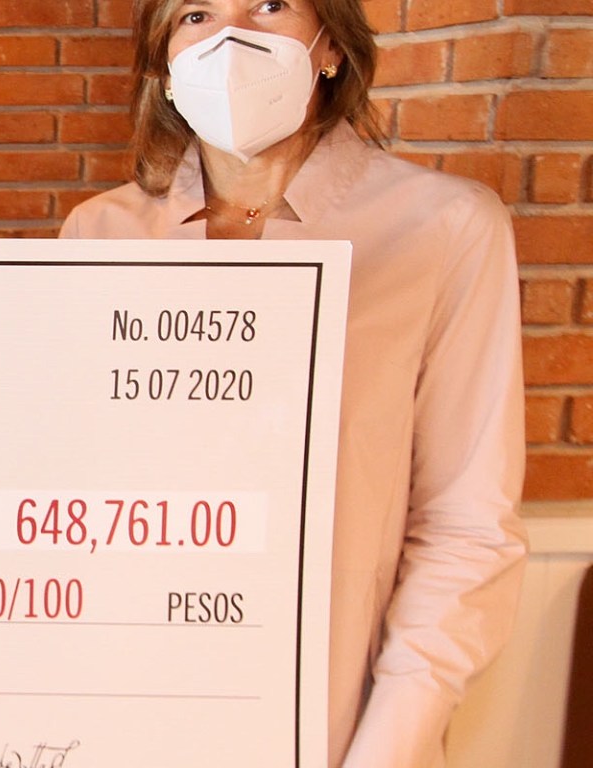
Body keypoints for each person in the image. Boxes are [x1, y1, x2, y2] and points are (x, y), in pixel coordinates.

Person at [62, 1, 526, 765]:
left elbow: (467, 525)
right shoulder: (99, 233)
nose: (231, 38)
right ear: (165, 64)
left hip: (337, 717)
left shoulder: (446, 229)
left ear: (331, 45)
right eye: (196, 14)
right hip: (131, 703)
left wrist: (385, 747)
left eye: (270, 5)